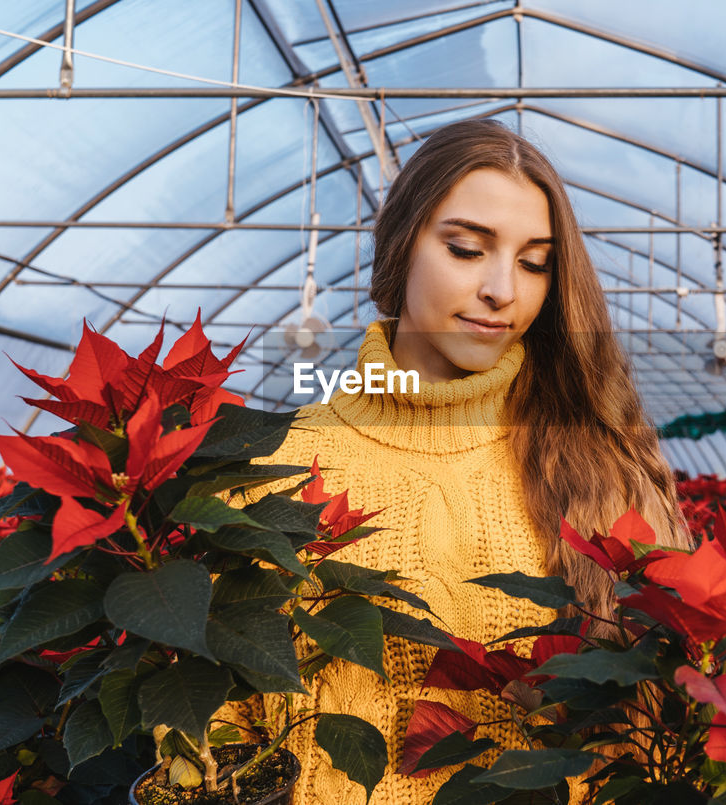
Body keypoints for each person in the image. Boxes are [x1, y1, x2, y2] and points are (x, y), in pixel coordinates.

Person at [223, 117, 694, 804]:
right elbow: (221, 729)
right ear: (400, 247)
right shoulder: (272, 464)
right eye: (469, 249)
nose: (504, 289)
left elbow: (645, 738)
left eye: (535, 262)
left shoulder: (596, 471)